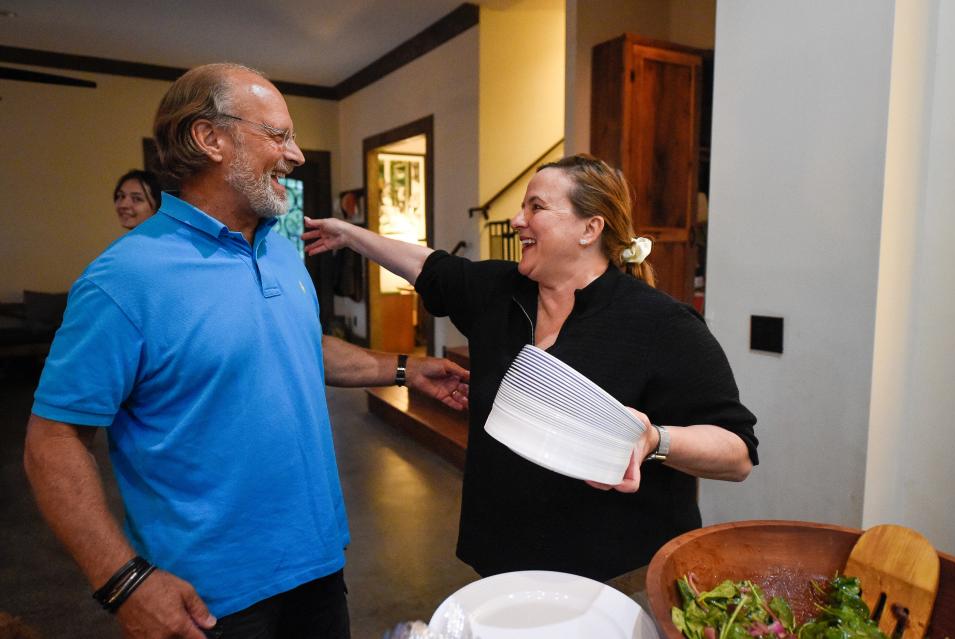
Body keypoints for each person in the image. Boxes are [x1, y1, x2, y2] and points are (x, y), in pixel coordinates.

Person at [23, 63, 469, 639]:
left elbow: (300, 346)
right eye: (279, 135)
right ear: (210, 139)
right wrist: (123, 580)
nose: (297, 154)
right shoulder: (122, 280)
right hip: (209, 596)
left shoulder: (280, 251)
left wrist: (405, 369)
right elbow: (52, 442)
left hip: (318, 560)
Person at [302, 154, 758, 582]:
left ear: (590, 228)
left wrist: (655, 439)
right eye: (521, 207)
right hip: (504, 560)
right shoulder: (501, 291)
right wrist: (350, 235)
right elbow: (428, 266)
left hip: (611, 574)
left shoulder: (661, 324)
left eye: (535, 207)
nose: (518, 220)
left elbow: (737, 454)